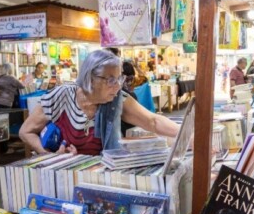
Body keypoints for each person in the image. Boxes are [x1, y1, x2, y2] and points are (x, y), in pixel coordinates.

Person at [19, 50, 180, 156]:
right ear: (90, 78)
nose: (117, 85)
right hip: (63, 176)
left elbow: (153, 121)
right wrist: (48, 155)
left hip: (99, 175)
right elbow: (26, 131)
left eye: (119, 78)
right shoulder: (62, 95)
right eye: (110, 80)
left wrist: (187, 134)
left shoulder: (117, 99)